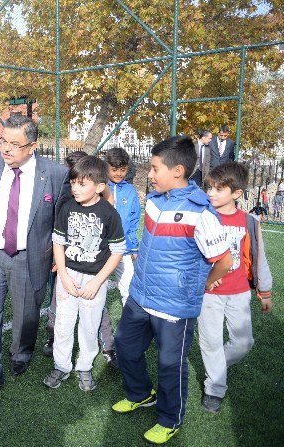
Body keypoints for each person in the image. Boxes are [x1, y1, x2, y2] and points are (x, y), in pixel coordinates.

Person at [112, 135, 232, 445]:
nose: (149, 175)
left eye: (154, 169)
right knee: (125, 346)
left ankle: (169, 419)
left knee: (170, 365)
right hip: (140, 294)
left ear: (177, 170)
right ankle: (140, 394)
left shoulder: (202, 212)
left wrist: (202, 284)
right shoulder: (153, 201)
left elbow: (224, 260)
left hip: (174, 306)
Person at [0, 115, 68, 390]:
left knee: (26, 314)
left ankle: (21, 353)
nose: (5, 149)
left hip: (29, 256)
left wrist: (60, 255)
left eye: (14, 144)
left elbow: (61, 219)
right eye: (2, 141)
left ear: (32, 146)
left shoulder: (55, 174)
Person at [44, 156, 125, 391]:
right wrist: (64, 276)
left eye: (82, 184)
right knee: (63, 323)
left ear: (100, 186)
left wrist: (98, 281)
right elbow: (58, 243)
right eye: (72, 183)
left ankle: (84, 366)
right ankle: (61, 365)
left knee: (89, 327)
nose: (75, 188)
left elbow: (117, 251)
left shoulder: (109, 214)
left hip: (94, 280)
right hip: (68, 276)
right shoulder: (67, 207)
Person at [198, 162, 273, 414]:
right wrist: (206, 275)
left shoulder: (249, 221)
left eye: (219, 189)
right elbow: (192, 254)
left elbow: (258, 255)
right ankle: (214, 388)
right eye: (209, 188)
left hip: (239, 291)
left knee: (244, 342)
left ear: (237, 193)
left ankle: (216, 365)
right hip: (208, 293)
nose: (211, 193)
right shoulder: (202, 216)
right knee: (211, 342)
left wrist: (264, 291)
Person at [96, 147, 141, 370]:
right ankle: (100, 333)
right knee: (97, 292)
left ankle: (131, 332)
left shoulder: (131, 191)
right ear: (106, 167)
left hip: (123, 249)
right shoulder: (99, 187)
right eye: (115, 169)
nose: (119, 173)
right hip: (101, 251)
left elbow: (133, 220)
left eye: (123, 169)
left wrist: (133, 247)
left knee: (129, 290)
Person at [42, 150, 87, 358]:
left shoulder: (94, 198)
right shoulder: (63, 192)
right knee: (56, 299)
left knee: (92, 302)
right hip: (61, 256)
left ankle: (106, 345)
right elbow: (55, 226)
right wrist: (56, 257)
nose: (72, 182)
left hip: (86, 261)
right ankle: (52, 337)